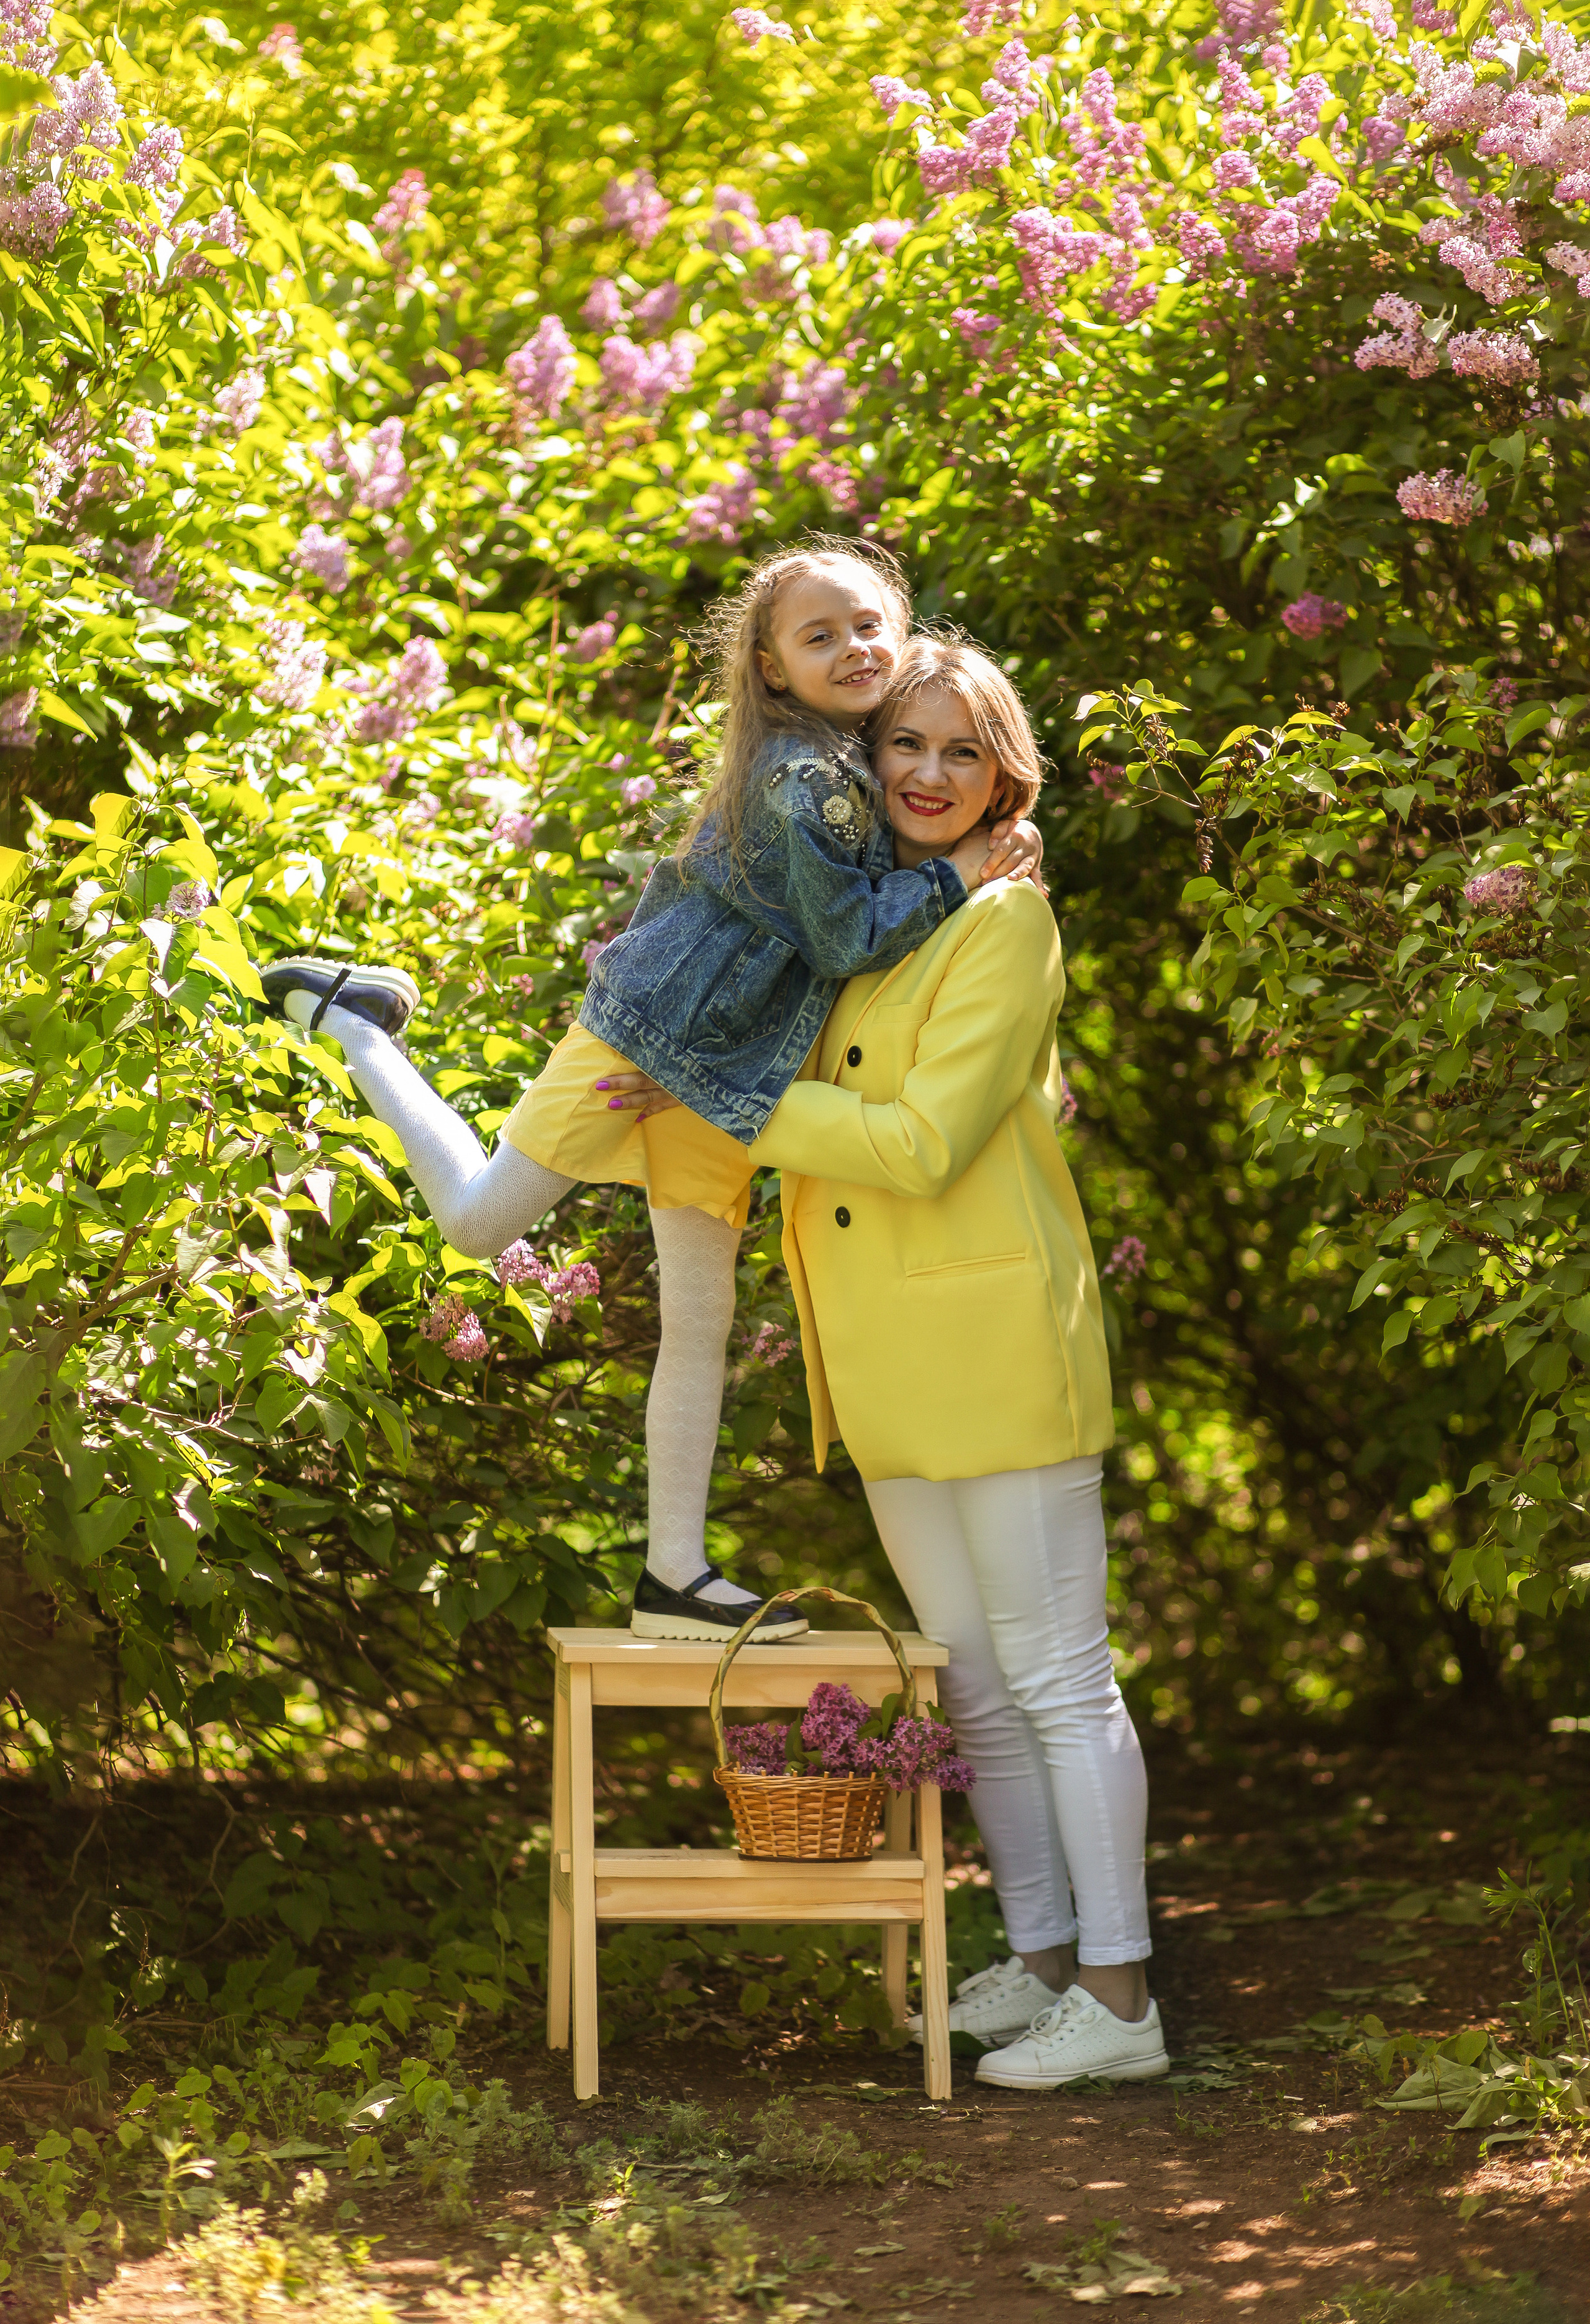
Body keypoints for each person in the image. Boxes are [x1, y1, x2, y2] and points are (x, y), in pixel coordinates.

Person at [254, 542, 1042, 1645]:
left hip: (724, 1076)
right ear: (772, 670)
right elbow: (844, 936)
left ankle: (674, 1574)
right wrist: (962, 873)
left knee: (702, 1319)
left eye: (871, 624)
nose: (855, 647)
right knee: (480, 1224)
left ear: (902, 629)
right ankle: (357, 1024)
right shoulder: (799, 778)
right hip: (648, 1042)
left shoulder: (863, 762)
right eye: (820, 636)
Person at [603, 635, 1164, 2093]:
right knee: (972, 1680)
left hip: (993, 1344)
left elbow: (918, 1143)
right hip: (884, 1362)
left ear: (1004, 776)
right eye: (902, 745)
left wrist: (731, 1097)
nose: (925, 773)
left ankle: (1118, 1997)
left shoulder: (1004, 926)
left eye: (959, 752)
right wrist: (659, 1063)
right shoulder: (883, 924)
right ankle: (1040, 1958)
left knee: (1055, 1671)